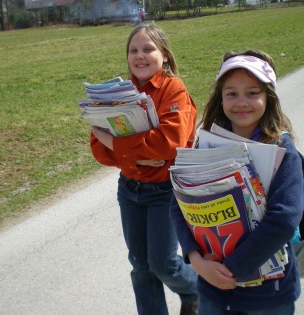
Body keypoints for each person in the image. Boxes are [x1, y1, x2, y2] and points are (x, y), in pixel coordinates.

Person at [169, 50, 304, 315]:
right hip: (212, 290)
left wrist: (231, 269)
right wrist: (197, 262)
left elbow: (284, 220)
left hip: (269, 298)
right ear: (220, 98)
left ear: (269, 97)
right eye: (231, 93)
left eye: (252, 92)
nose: (241, 102)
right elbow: (179, 205)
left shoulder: (282, 151)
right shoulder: (206, 146)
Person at [90, 24, 199, 315]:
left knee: (164, 265)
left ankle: (197, 290)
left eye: (148, 49)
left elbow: (170, 144)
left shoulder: (174, 90)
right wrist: (137, 156)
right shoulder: (118, 94)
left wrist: (119, 145)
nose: (140, 56)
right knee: (140, 265)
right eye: (133, 50)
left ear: (164, 55)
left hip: (165, 191)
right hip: (129, 189)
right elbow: (98, 148)